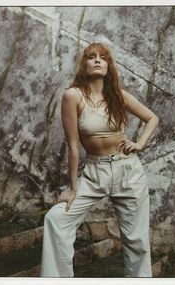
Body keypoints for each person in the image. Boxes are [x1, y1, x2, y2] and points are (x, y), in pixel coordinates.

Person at [40, 42, 159, 278]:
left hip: (128, 171)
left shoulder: (118, 96)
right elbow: (73, 146)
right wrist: (73, 188)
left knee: (137, 241)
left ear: (108, 66)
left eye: (102, 57)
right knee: (56, 219)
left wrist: (140, 143)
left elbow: (152, 118)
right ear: (84, 64)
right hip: (95, 173)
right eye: (91, 57)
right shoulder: (72, 96)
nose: (97, 60)